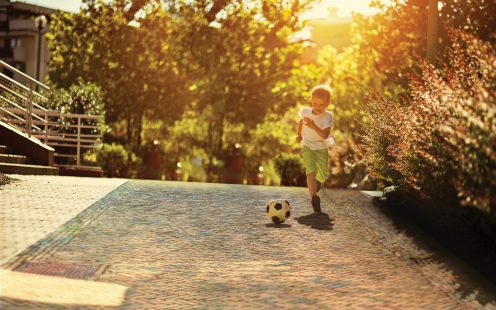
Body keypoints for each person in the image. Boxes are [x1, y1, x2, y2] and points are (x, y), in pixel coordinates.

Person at [296, 84, 334, 212]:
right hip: (307, 145)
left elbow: (324, 135)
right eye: (315, 103)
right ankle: (314, 197)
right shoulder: (305, 112)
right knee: (310, 171)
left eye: (321, 105)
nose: (317, 107)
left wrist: (312, 126)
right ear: (311, 101)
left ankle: (319, 182)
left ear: (328, 103)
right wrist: (299, 135)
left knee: (322, 176)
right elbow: (301, 122)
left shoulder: (328, 117)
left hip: (321, 148)